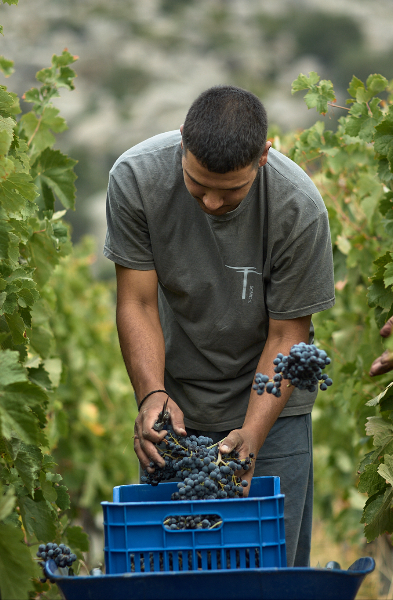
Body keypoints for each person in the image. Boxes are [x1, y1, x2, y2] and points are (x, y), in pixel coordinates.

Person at [102, 85, 335, 567]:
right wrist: (151, 395)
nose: (210, 202)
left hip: (271, 411)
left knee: (267, 574)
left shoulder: (298, 209)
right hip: (177, 406)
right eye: (197, 184)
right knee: (176, 572)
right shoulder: (137, 178)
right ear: (183, 141)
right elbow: (138, 303)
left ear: (263, 157)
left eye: (229, 191)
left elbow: (287, 336)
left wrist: (252, 434)